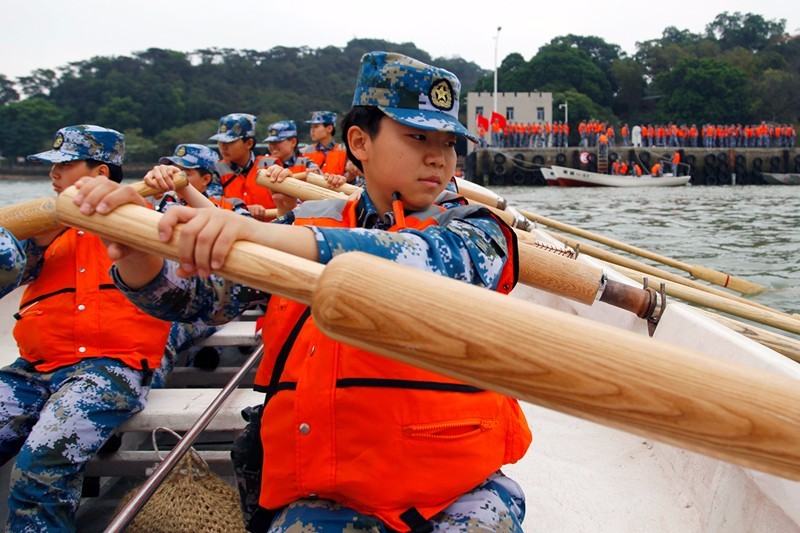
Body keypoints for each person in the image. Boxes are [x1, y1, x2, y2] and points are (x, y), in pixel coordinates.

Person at [73, 51, 531, 532]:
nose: (438, 157)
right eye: (417, 137)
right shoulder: (309, 223)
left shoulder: (477, 230)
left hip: (455, 490)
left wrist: (256, 232)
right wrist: (135, 249)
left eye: (449, 143)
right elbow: (197, 300)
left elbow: (421, 263)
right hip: (330, 491)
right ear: (360, 141)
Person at [0, 125, 172, 531]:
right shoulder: (44, 232)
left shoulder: (140, 221)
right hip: (35, 367)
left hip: (108, 369)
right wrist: (36, 243)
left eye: (65, 164)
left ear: (99, 175)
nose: (53, 174)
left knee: (39, 468)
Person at [151, 143, 250, 217]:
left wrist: (185, 188)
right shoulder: (161, 201)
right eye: (174, 171)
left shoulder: (232, 205)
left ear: (205, 179)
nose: (175, 178)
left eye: (185, 173)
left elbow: (247, 230)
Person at [211, 113, 276, 220]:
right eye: (220, 141)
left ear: (249, 143)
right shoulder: (216, 170)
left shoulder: (271, 165)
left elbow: (289, 202)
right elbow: (213, 202)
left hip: (272, 230)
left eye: (230, 141)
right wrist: (242, 208)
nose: (223, 147)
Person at [300, 111, 348, 176]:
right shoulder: (304, 152)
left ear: (329, 128)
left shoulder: (344, 151)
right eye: (311, 127)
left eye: (316, 126)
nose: (312, 130)